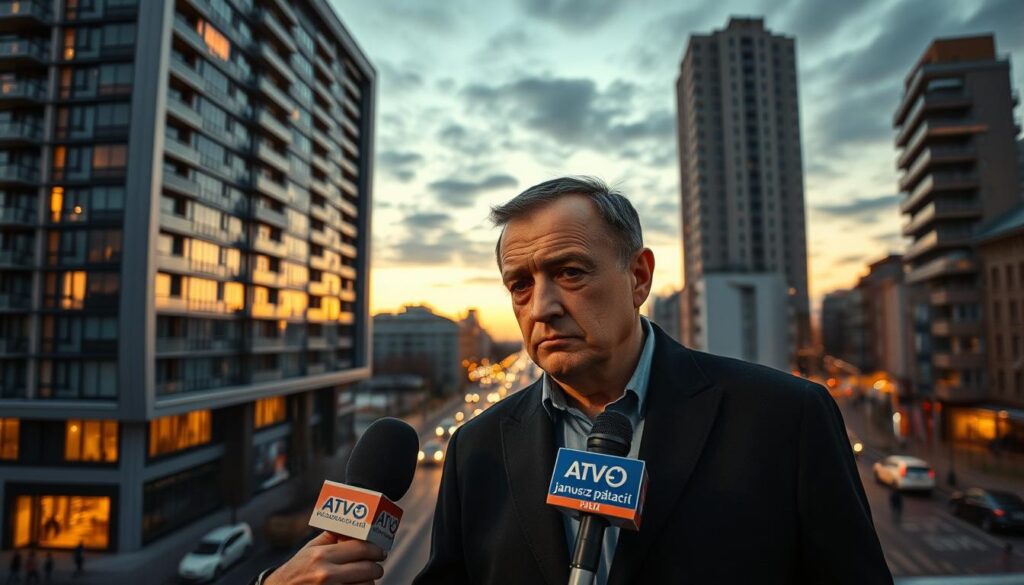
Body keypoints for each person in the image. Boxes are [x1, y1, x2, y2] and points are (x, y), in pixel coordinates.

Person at [412, 177, 893, 584]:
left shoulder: (787, 417)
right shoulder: (475, 448)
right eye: (520, 285)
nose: (542, 307)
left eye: (571, 273)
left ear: (638, 277)